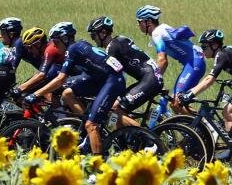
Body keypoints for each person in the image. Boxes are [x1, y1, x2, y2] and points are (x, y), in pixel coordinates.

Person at [25, 22, 126, 155]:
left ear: (65, 39)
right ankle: (86, 128)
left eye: (56, 42)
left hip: (112, 80)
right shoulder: (76, 46)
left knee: (91, 124)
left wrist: (35, 95)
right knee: (67, 92)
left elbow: (60, 78)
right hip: (100, 77)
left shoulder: (73, 49)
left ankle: (97, 165)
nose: (54, 46)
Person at [87, 15, 163, 127]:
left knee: (114, 109)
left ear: (103, 32)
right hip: (151, 77)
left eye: (93, 35)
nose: (93, 39)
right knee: (117, 110)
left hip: (150, 79)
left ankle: (147, 140)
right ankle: (126, 135)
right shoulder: (121, 39)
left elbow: (106, 74)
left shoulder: (111, 49)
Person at [136, 4, 205, 107]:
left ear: (148, 22)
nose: (138, 25)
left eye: (140, 22)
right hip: (194, 63)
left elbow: (162, 61)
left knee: (176, 103)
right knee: (176, 103)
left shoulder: (157, 33)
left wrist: (150, 82)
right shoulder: (162, 29)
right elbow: (164, 62)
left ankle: (201, 123)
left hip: (194, 64)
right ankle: (193, 122)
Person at [175, 29, 232, 131]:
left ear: (214, 45)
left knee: (227, 112)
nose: (202, 50)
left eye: (204, 46)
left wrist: (189, 94)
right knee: (227, 114)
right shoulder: (226, 52)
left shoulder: (221, 54)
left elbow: (209, 80)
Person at [10, 27, 65, 101]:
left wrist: (19, 89)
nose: (29, 51)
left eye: (30, 47)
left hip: (69, 76)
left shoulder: (49, 50)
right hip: (63, 74)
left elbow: (41, 75)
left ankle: (58, 111)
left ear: (38, 44)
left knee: (43, 89)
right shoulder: (47, 48)